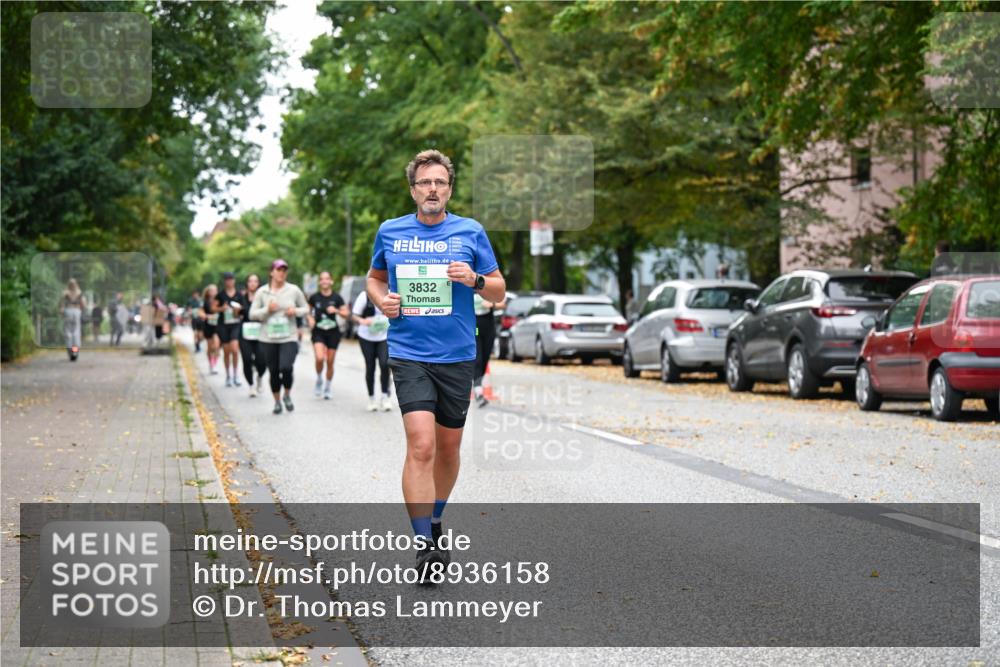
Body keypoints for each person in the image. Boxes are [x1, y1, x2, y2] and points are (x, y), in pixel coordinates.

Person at [367, 149, 505, 575]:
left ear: (449, 190)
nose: (432, 189)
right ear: (413, 190)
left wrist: (475, 280)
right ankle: (424, 544)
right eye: (425, 182)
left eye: (440, 182)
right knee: (421, 444)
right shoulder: (390, 232)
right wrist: (382, 302)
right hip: (409, 353)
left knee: (447, 449)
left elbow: (499, 292)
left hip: (457, 355)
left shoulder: (470, 231)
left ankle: (436, 518)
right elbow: (375, 279)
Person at [251, 259, 309, 414]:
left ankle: (287, 395)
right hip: (268, 338)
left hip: (288, 336)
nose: (282, 273)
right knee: (274, 371)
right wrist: (267, 310)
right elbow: (252, 314)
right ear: (272, 272)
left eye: (284, 270)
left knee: (286, 367)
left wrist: (295, 311)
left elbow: (306, 308)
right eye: (278, 270)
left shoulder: (293, 290)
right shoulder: (262, 292)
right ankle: (277, 401)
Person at [308, 271, 350, 400]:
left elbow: (346, 313)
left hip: (333, 332)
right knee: (320, 358)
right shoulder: (314, 297)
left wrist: (336, 310)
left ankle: (327, 387)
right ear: (319, 282)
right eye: (322, 279)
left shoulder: (337, 298)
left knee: (330, 362)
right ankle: (319, 379)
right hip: (318, 331)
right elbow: (307, 311)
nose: (324, 281)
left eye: (327, 279)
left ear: (331, 281)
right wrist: (310, 319)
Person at [352, 290, 392, 411]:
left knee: (385, 364)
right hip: (366, 336)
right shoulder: (364, 295)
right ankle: (371, 399)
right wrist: (363, 321)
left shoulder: (389, 293)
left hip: (383, 336)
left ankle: (385, 397)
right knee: (370, 367)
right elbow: (354, 315)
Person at [238, 274, 267, 397]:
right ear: (247, 283)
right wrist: (236, 311)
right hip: (245, 332)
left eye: (255, 281)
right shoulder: (241, 298)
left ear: (258, 283)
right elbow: (236, 315)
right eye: (250, 281)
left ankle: (260, 376)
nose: (253, 283)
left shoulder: (263, 298)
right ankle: (251, 385)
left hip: (260, 332)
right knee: (246, 359)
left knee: (262, 360)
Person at [215, 272, 243, 387]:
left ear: (234, 281)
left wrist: (238, 310)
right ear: (225, 281)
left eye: (231, 279)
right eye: (227, 279)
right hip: (223, 325)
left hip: (235, 324)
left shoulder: (239, 295)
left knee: (235, 350)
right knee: (226, 351)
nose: (229, 281)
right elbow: (213, 308)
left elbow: (243, 309)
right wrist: (222, 308)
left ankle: (236, 374)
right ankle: (228, 375)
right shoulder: (220, 295)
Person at [472, 292, 499, 408]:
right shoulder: (469, 288)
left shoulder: (487, 287)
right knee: (478, 357)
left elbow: (502, 302)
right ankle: (478, 391)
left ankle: (478, 383)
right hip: (476, 325)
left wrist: (492, 304)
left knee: (485, 357)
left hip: (488, 325)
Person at [61, 278, 86, 361]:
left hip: (68, 311)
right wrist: (80, 310)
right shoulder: (79, 293)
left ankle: (70, 351)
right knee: (76, 333)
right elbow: (83, 304)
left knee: (68, 332)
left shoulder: (65, 293)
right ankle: (75, 352)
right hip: (76, 312)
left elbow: (61, 304)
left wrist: (62, 311)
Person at [201, 284, 221, 374]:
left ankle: (215, 364)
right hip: (208, 326)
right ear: (208, 292)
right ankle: (211, 364)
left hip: (217, 326)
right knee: (210, 347)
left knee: (216, 346)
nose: (214, 292)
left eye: (215, 290)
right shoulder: (205, 302)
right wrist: (206, 316)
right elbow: (200, 312)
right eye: (212, 291)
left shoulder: (219, 301)